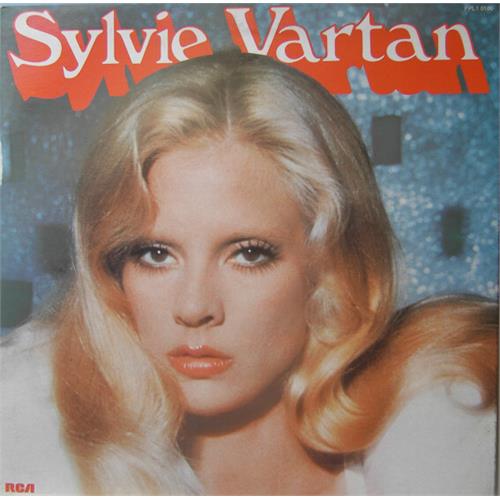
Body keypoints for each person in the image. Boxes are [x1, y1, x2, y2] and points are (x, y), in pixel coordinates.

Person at [1, 52, 497, 495]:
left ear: (332, 269)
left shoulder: (445, 433)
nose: (194, 307)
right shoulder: (32, 440)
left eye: (249, 254)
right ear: (113, 273)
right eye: (155, 254)